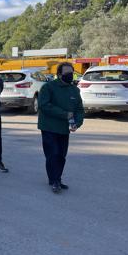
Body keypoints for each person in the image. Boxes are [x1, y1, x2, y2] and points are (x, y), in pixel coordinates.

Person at [38, 62, 84, 194]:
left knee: (62, 156)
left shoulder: (74, 90)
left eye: (72, 73)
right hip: (49, 127)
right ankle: (55, 180)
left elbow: (79, 110)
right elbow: (44, 105)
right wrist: (65, 114)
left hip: (64, 129)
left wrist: (77, 122)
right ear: (59, 75)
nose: (70, 75)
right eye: (67, 73)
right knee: (53, 154)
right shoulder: (48, 87)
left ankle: (56, 178)